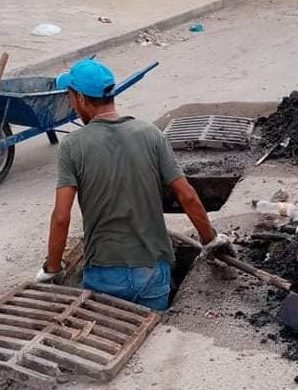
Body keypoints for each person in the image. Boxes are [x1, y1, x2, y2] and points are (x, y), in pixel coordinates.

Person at [36, 59, 233, 310]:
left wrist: (53, 269)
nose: (71, 105)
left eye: (70, 97)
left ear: (82, 99)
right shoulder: (151, 134)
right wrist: (210, 239)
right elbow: (187, 195)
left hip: (104, 274)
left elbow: (61, 216)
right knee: (155, 329)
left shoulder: (73, 146)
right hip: (152, 273)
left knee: (106, 329)